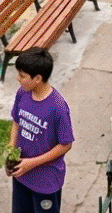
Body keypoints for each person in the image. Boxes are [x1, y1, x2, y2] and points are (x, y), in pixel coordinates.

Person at [7, 47, 74, 213]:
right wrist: (11, 147)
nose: (18, 79)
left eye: (22, 76)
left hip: (46, 182)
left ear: (37, 78)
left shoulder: (57, 107)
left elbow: (66, 144)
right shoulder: (22, 94)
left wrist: (31, 163)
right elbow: (16, 121)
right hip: (22, 176)